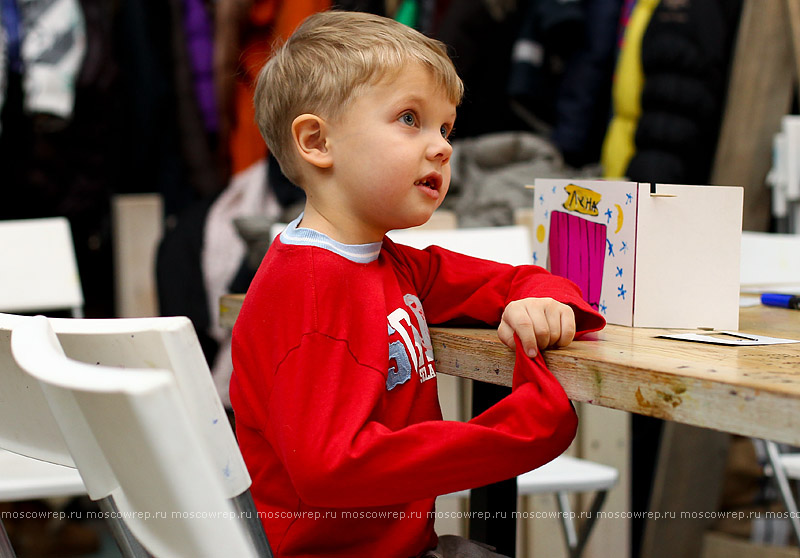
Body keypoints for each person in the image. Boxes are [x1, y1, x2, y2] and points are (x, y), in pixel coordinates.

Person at [230, 10, 606, 558]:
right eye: (410, 119)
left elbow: (515, 278)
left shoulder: (387, 261)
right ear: (317, 141)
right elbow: (331, 469)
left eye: (445, 128)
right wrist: (518, 430)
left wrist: (539, 299)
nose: (443, 147)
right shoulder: (307, 291)